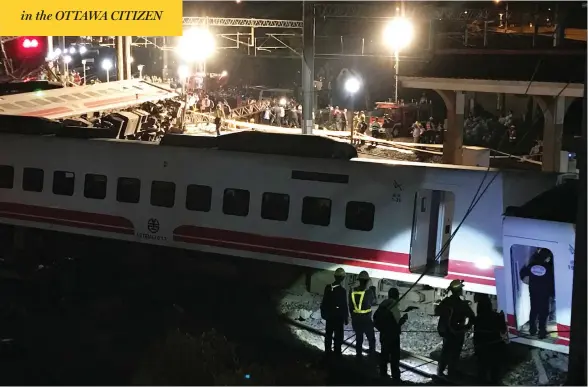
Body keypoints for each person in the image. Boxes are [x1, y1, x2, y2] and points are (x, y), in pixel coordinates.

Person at [435, 279, 475, 378]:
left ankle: (440, 371)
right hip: (458, 331)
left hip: (447, 332)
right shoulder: (462, 304)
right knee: (455, 352)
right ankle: (451, 372)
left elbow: (437, 312)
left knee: (446, 351)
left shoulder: (446, 302)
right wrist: (467, 327)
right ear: (459, 290)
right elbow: (472, 317)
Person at [519, 248, 555, 339]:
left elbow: (522, 273)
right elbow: (552, 281)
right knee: (544, 313)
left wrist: (527, 281)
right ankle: (542, 332)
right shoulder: (549, 267)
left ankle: (532, 330)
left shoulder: (532, 265)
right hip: (545, 293)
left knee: (534, 310)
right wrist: (553, 293)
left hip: (533, 291)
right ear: (547, 257)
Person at [374, 287, 407, 381]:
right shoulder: (394, 305)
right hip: (393, 335)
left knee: (384, 354)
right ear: (397, 296)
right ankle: (395, 376)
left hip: (383, 334)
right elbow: (398, 322)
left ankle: (383, 373)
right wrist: (404, 318)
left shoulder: (383, 304)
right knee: (394, 357)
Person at [474, 294, 507, 384]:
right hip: (495, 346)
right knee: (495, 370)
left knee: (482, 370)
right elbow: (503, 330)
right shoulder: (497, 316)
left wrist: (476, 348)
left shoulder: (478, 319)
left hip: (482, 347)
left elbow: (476, 335)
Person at [320, 268, 349, 358]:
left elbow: (324, 301)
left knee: (328, 335)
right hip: (338, 318)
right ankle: (337, 354)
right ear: (343, 278)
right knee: (338, 337)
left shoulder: (328, 288)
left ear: (334, 276)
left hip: (329, 316)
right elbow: (344, 305)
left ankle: (327, 352)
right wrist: (346, 317)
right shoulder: (342, 291)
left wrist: (324, 313)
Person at [349, 270, 377, 360]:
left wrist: (353, 317)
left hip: (356, 319)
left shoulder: (352, 291)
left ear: (359, 280)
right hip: (366, 320)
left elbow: (350, 306)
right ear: (367, 281)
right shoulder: (369, 292)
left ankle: (358, 357)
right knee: (371, 339)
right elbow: (374, 302)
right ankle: (371, 357)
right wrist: (373, 291)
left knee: (359, 339)